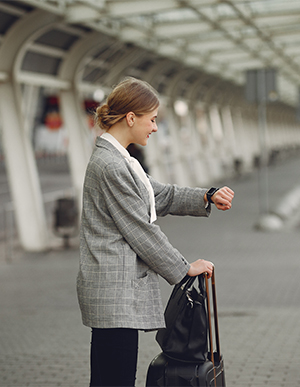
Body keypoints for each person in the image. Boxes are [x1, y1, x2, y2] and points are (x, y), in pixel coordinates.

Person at [76, 77, 234, 387]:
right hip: (115, 293)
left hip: (116, 293)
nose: (155, 127)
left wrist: (206, 195)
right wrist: (184, 267)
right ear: (131, 118)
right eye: (152, 119)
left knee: (112, 378)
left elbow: (157, 194)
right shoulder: (112, 165)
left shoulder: (121, 160)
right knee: (115, 380)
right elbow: (139, 229)